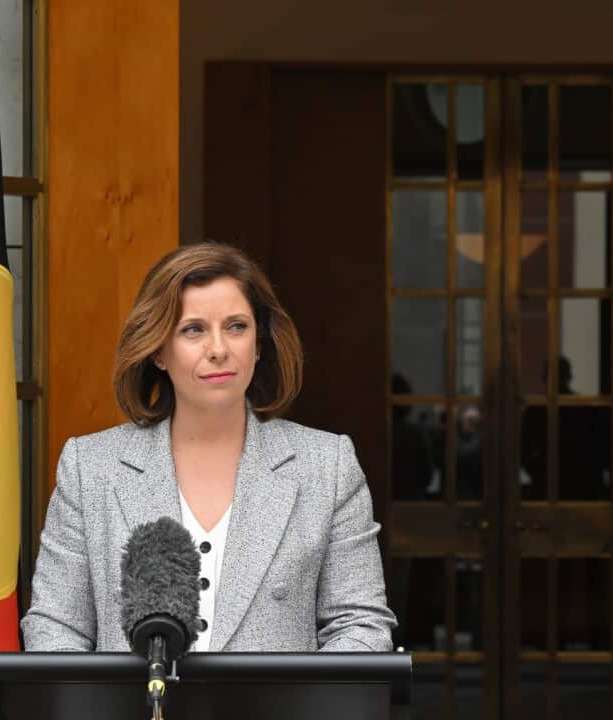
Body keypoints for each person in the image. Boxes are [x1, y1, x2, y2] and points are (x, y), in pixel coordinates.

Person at [22, 243, 396, 652]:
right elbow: (55, 628)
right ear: (159, 350)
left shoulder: (327, 466)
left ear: (258, 344)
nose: (218, 349)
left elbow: (360, 625)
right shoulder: (90, 467)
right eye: (193, 329)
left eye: (236, 327)